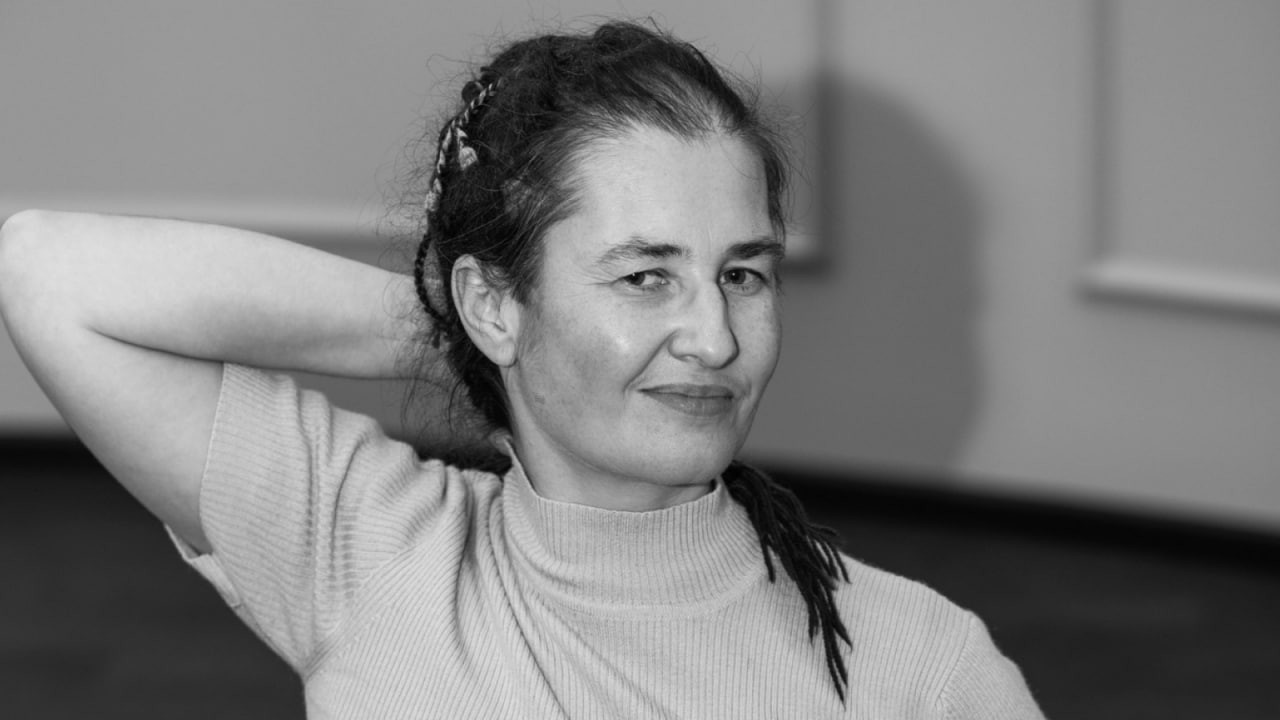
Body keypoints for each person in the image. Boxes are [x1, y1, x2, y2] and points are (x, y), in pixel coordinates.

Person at [0, 21, 1045, 719]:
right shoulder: (368, 549)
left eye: (742, 275)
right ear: (493, 300)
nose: (716, 339)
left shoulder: (920, 666)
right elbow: (46, 272)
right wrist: (472, 335)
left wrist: (513, 338)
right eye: (644, 276)